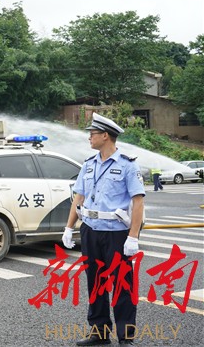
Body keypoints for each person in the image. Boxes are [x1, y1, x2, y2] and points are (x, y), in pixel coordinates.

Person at [62, 113, 145, 346]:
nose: (89, 137)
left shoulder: (128, 165)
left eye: (93, 133)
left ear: (105, 136)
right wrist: (69, 228)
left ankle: (125, 337)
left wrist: (133, 237)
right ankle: (99, 333)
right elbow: (79, 196)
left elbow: (138, 201)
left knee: (121, 286)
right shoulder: (88, 164)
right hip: (91, 230)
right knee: (95, 283)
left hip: (116, 234)